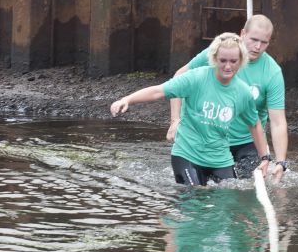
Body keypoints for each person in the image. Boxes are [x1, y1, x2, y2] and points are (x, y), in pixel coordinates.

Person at [110, 33, 270, 186]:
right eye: (223, 60)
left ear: (241, 61)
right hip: (187, 154)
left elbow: (254, 125)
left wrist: (265, 158)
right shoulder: (196, 78)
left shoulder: (243, 92)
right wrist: (127, 99)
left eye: (233, 61)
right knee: (196, 195)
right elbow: (159, 91)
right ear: (214, 59)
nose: (228, 66)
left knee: (231, 197)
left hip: (220, 158)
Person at [167, 15, 288, 182]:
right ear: (243, 33)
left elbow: (278, 122)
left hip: (246, 142)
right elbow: (179, 78)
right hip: (212, 138)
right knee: (200, 190)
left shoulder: (272, 72)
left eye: (264, 42)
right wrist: (175, 120)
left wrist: (281, 161)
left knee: (244, 189)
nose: (258, 47)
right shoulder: (221, 53)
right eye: (254, 39)